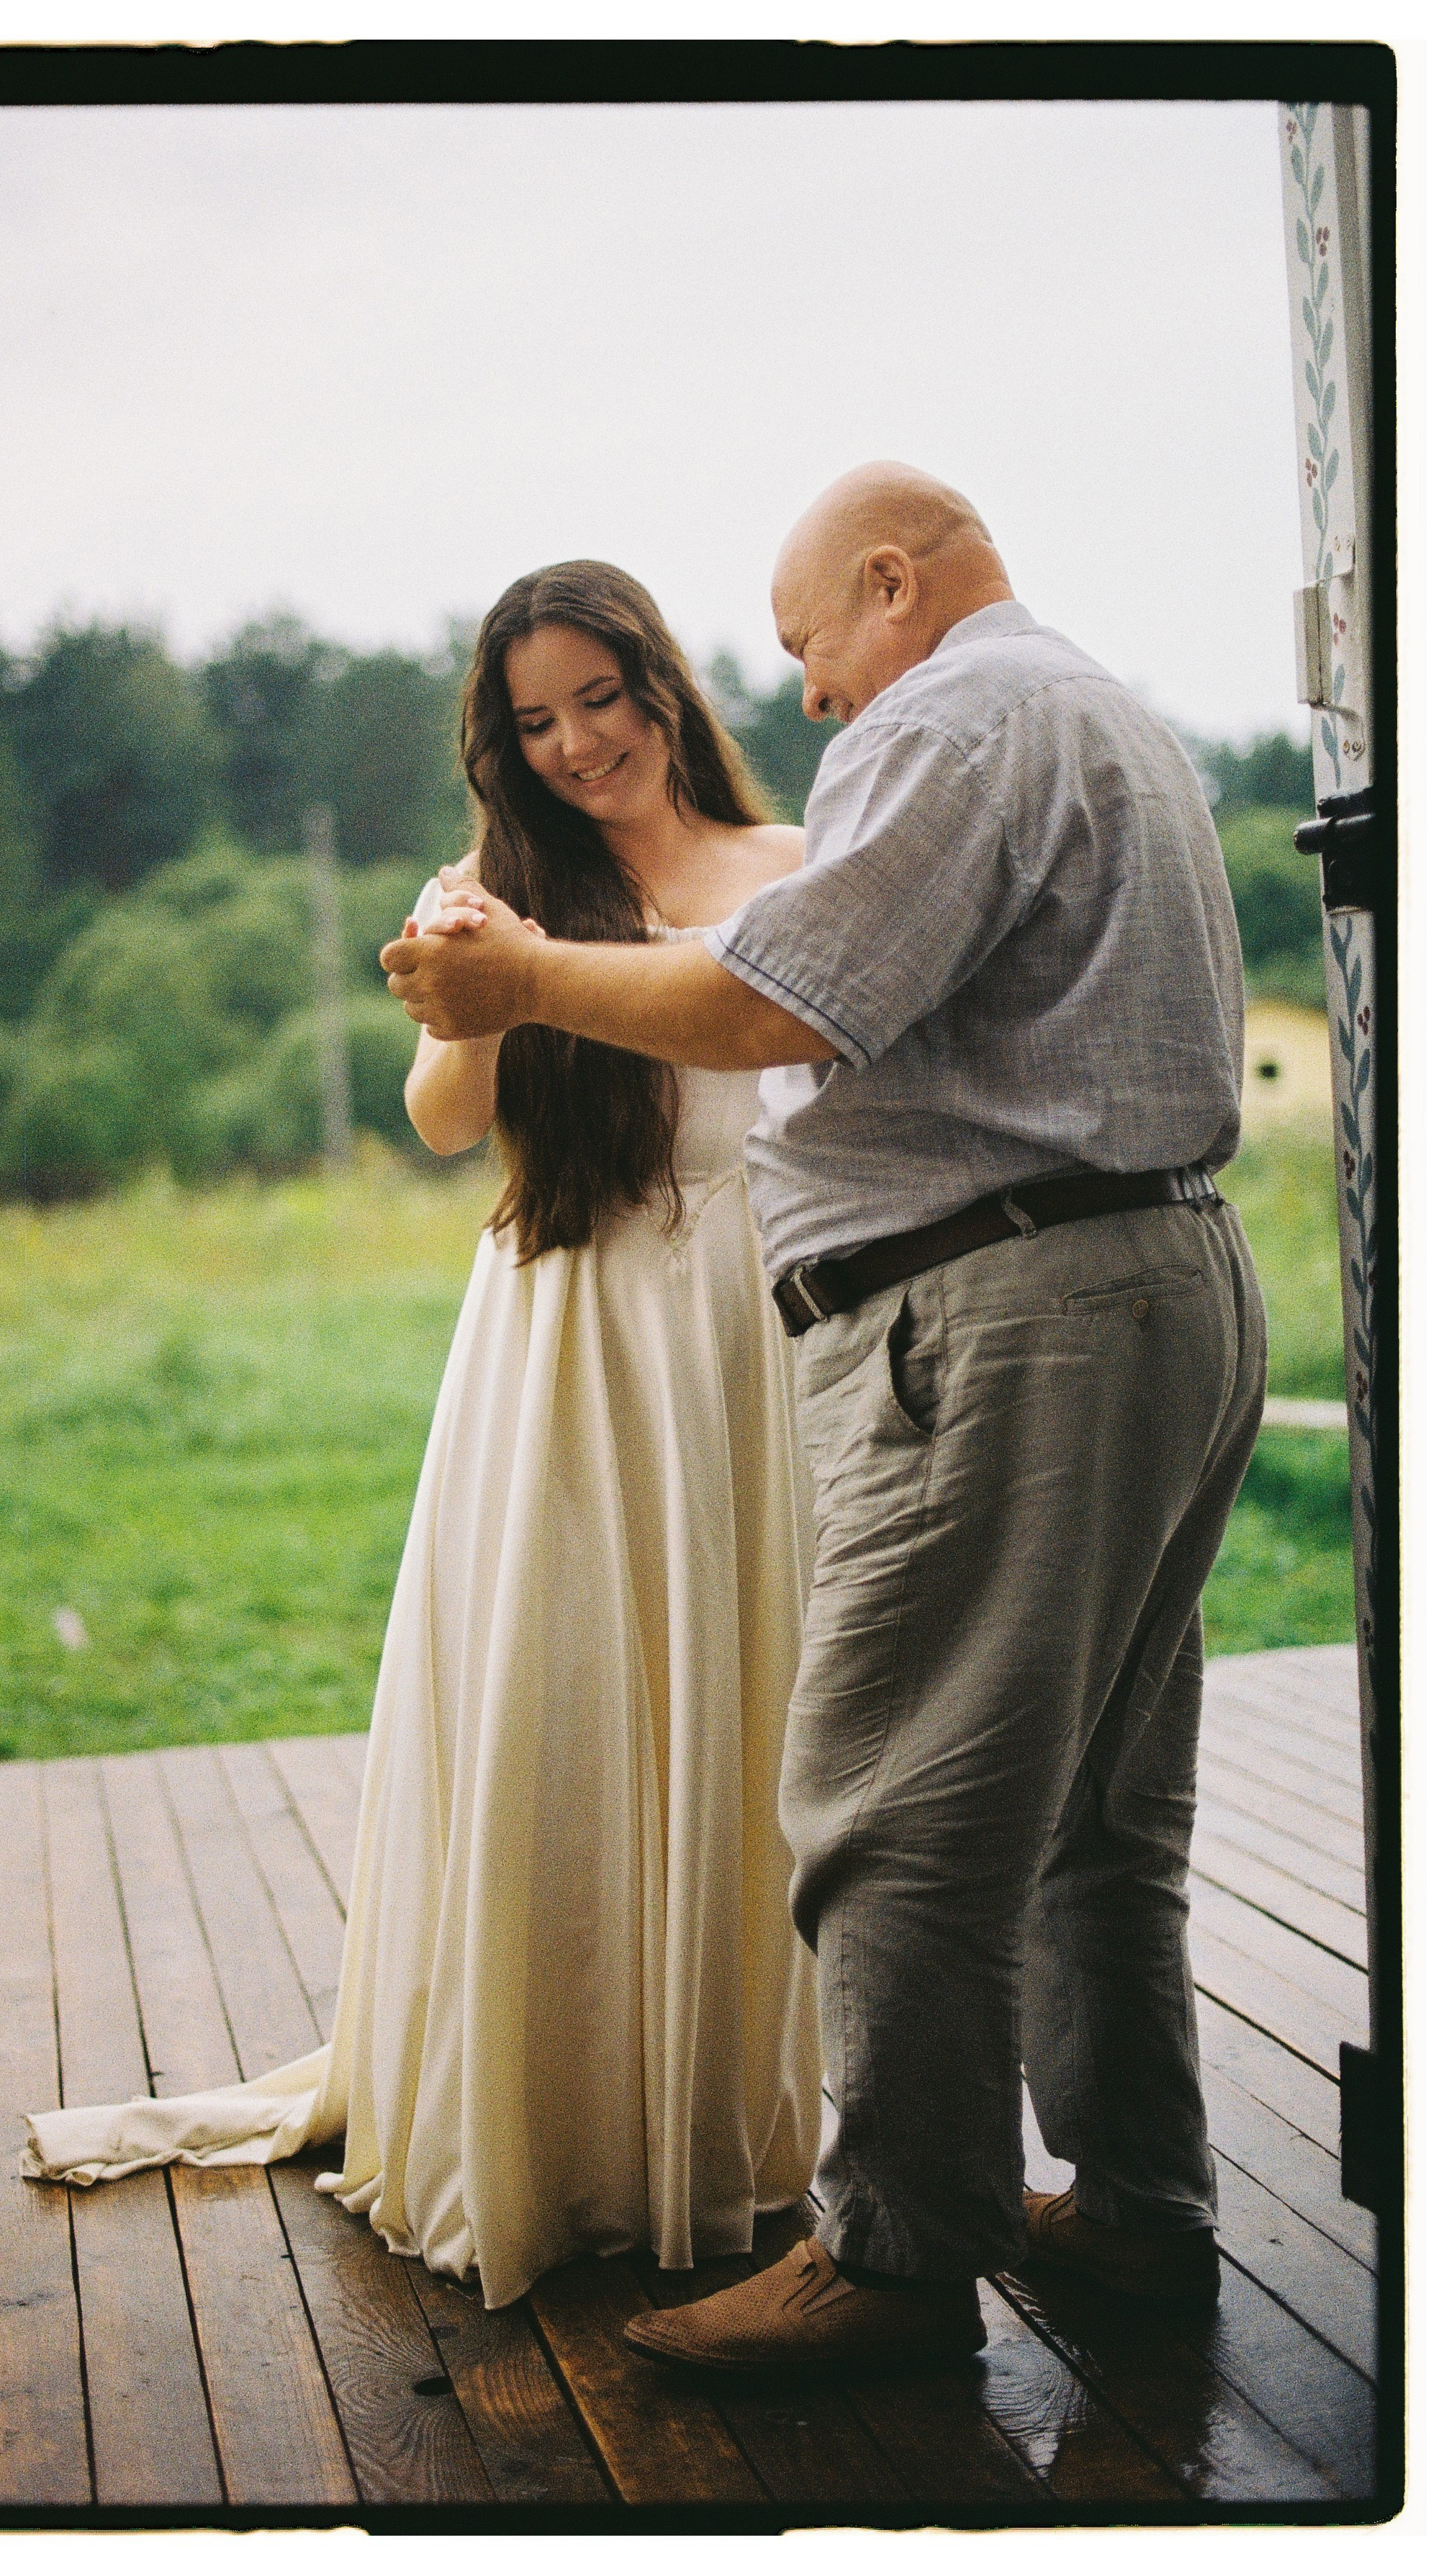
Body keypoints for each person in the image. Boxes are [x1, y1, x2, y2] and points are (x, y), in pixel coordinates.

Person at [384, 464, 1266, 2374]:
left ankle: (882, 2261)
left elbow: (784, 1003)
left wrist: (521, 976)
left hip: (1006, 1308)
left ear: (893, 581)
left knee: (900, 1805)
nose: (800, 691)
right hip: (1164, 1275)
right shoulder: (1109, 713)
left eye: (804, 641)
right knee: (1100, 1809)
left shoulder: (951, 720)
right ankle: (1128, 2214)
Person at [22, 561, 823, 2310]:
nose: (573, 744)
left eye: (596, 700)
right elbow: (447, 1121)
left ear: (659, 686)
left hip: (754, 1327)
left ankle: (719, 2123)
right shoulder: (494, 890)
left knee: (748, 1714)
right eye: (531, 722)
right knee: (562, 1703)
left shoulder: (788, 871)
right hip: (567, 1328)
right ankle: (558, 2126)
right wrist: (473, 982)